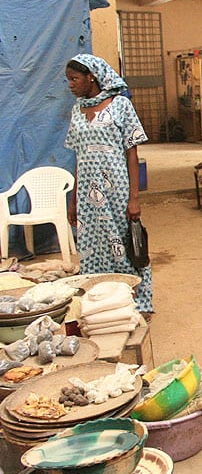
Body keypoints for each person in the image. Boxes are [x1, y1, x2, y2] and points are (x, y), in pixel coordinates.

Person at [64, 54, 154, 315]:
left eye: (74, 79)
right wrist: (73, 201)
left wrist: (134, 198)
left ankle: (137, 304)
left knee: (126, 247)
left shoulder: (121, 105)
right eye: (68, 80)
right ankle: (102, 307)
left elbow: (132, 153)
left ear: (91, 76)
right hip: (86, 196)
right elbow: (79, 158)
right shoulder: (77, 111)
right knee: (92, 248)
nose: (70, 84)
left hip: (116, 191)